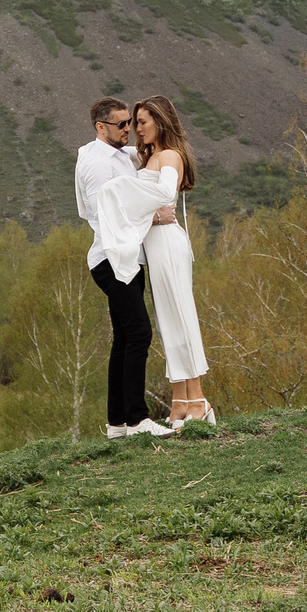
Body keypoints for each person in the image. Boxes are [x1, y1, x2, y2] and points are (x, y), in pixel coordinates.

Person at [89, 95, 212, 426]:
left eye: (142, 122)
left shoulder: (169, 155)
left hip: (167, 244)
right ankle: (179, 403)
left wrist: (136, 206)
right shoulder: (149, 157)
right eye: (132, 122)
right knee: (169, 322)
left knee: (182, 316)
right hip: (153, 248)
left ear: (160, 122)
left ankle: (198, 401)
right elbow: (108, 153)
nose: (135, 129)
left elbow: (165, 194)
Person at [75, 97, 179, 439]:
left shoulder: (123, 156)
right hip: (112, 259)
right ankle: (137, 420)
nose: (129, 129)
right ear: (100, 127)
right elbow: (102, 214)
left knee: (123, 339)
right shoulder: (96, 164)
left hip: (126, 257)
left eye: (130, 123)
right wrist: (154, 216)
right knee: (139, 333)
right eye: (122, 124)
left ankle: (117, 424)